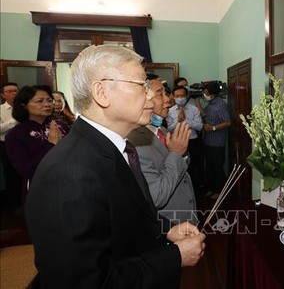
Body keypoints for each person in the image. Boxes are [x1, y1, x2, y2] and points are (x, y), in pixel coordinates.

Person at [25, 45, 205, 288]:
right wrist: (174, 257)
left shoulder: (118, 148)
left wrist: (166, 232)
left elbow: (124, 219)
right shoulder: (67, 172)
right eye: (141, 85)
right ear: (101, 92)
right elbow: (85, 282)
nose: (151, 95)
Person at [128, 74, 197, 224]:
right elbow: (157, 197)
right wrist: (176, 154)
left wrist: (183, 154)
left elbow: (182, 166)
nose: (168, 99)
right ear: (144, 99)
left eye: (166, 93)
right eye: (160, 94)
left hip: (186, 216)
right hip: (167, 226)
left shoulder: (163, 131)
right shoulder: (134, 142)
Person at [5, 85, 68, 205]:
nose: (47, 104)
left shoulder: (60, 125)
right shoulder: (15, 135)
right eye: (40, 101)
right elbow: (26, 171)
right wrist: (51, 145)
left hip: (68, 184)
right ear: (24, 105)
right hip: (40, 190)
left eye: (49, 100)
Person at [166, 85, 204, 190]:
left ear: (187, 96)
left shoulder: (194, 109)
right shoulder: (170, 111)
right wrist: (178, 121)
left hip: (192, 141)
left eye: (182, 96)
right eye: (177, 96)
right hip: (176, 142)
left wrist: (186, 121)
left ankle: (195, 189)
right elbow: (169, 129)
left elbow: (200, 126)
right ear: (173, 96)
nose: (180, 98)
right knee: (179, 166)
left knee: (194, 167)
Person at [201, 82, 231, 200]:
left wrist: (213, 128)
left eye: (205, 92)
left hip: (217, 142)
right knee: (210, 167)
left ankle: (219, 191)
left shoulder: (220, 105)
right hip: (207, 141)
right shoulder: (209, 104)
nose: (204, 94)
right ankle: (211, 189)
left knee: (218, 167)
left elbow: (228, 122)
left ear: (211, 93)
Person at [0, 82, 21, 209]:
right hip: (6, 146)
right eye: (9, 91)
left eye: (15, 91)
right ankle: (14, 204)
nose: (13, 93)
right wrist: (15, 119)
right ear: (3, 95)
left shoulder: (25, 107)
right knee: (11, 175)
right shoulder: (0, 109)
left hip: (24, 145)